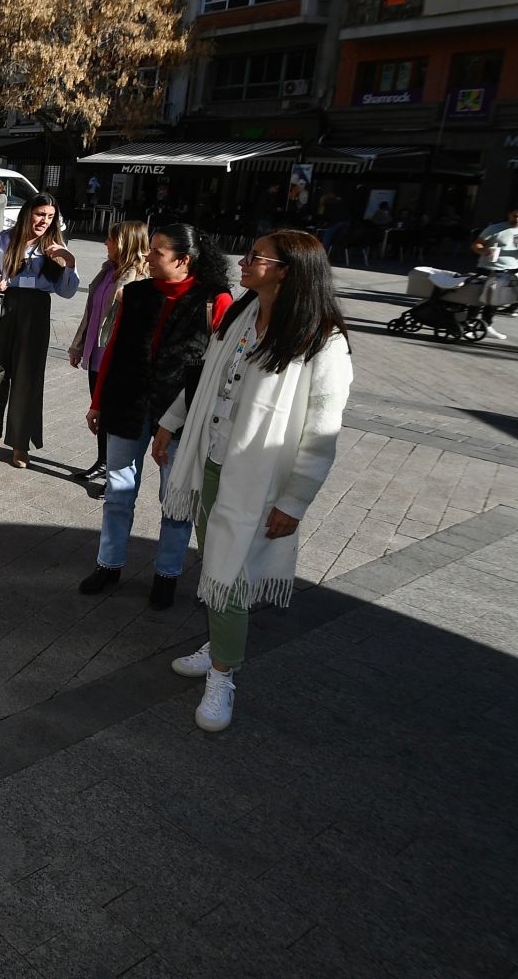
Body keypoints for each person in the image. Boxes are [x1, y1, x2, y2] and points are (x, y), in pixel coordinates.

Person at [151, 230, 353, 732]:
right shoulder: (241, 314)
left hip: (259, 479)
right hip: (212, 462)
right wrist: (172, 421)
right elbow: (208, 379)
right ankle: (220, 644)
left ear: (287, 271)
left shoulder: (321, 338)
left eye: (255, 257)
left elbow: (321, 431)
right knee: (215, 561)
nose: (242, 262)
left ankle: (224, 674)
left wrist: (295, 500)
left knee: (231, 575)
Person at [79, 224, 233, 608]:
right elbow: (114, 348)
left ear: (183, 260)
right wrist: (98, 401)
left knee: (175, 499)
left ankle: (167, 574)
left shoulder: (216, 301)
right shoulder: (135, 293)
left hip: (181, 416)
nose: (147, 256)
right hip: (127, 404)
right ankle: (109, 562)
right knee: (118, 490)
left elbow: (220, 369)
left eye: (158, 252)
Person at [0, 192, 80, 468]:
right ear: (28, 213)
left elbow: (68, 291)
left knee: (28, 376)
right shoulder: (3, 239)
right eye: (40, 214)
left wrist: (69, 262)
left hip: (37, 309)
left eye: (50, 217)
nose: (44, 221)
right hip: (8, 304)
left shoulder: (55, 245)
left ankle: (21, 443)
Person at [68, 221, 150, 489]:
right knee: (99, 410)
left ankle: (115, 472)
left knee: (114, 415)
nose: (106, 244)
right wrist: (78, 346)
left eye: (111, 240)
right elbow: (90, 312)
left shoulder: (141, 278)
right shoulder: (108, 271)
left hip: (118, 357)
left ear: (125, 243)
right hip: (96, 351)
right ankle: (103, 461)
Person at [472, 206, 518, 332]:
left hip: (508, 270)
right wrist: (483, 251)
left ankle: (486, 324)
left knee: (495, 299)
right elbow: (476, 244)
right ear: (509, 214)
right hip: (486, 267)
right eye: (515, 215)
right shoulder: (495, 228)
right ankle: (470, 320)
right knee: (477, 297)